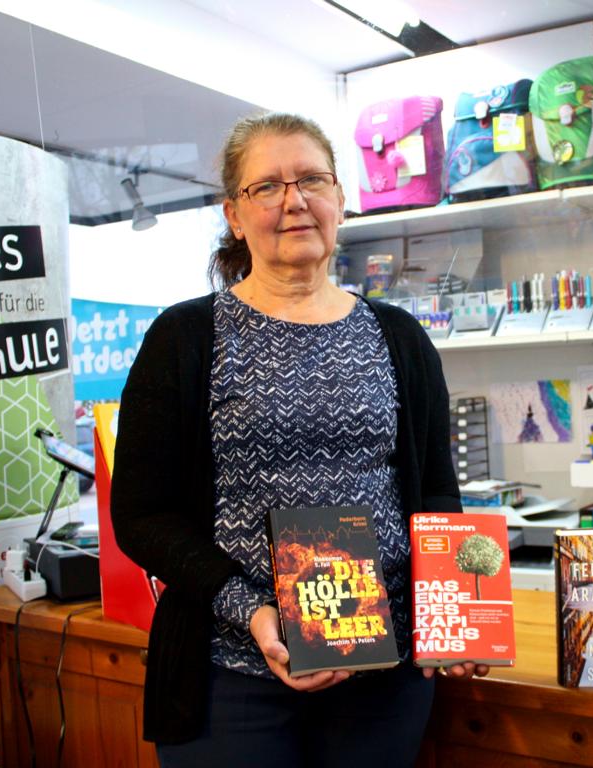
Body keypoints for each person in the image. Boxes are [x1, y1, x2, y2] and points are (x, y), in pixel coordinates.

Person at [110, 112, 486, 767]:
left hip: (384, 678)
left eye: (312, 179)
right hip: (229, 674)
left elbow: (435, 497)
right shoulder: (185, 338)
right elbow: (141, 515)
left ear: (340, 198)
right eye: (267, 186)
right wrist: (252, 611)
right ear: (233, 212)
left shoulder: (398, 338)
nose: (294, 201)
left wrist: (451, 614)